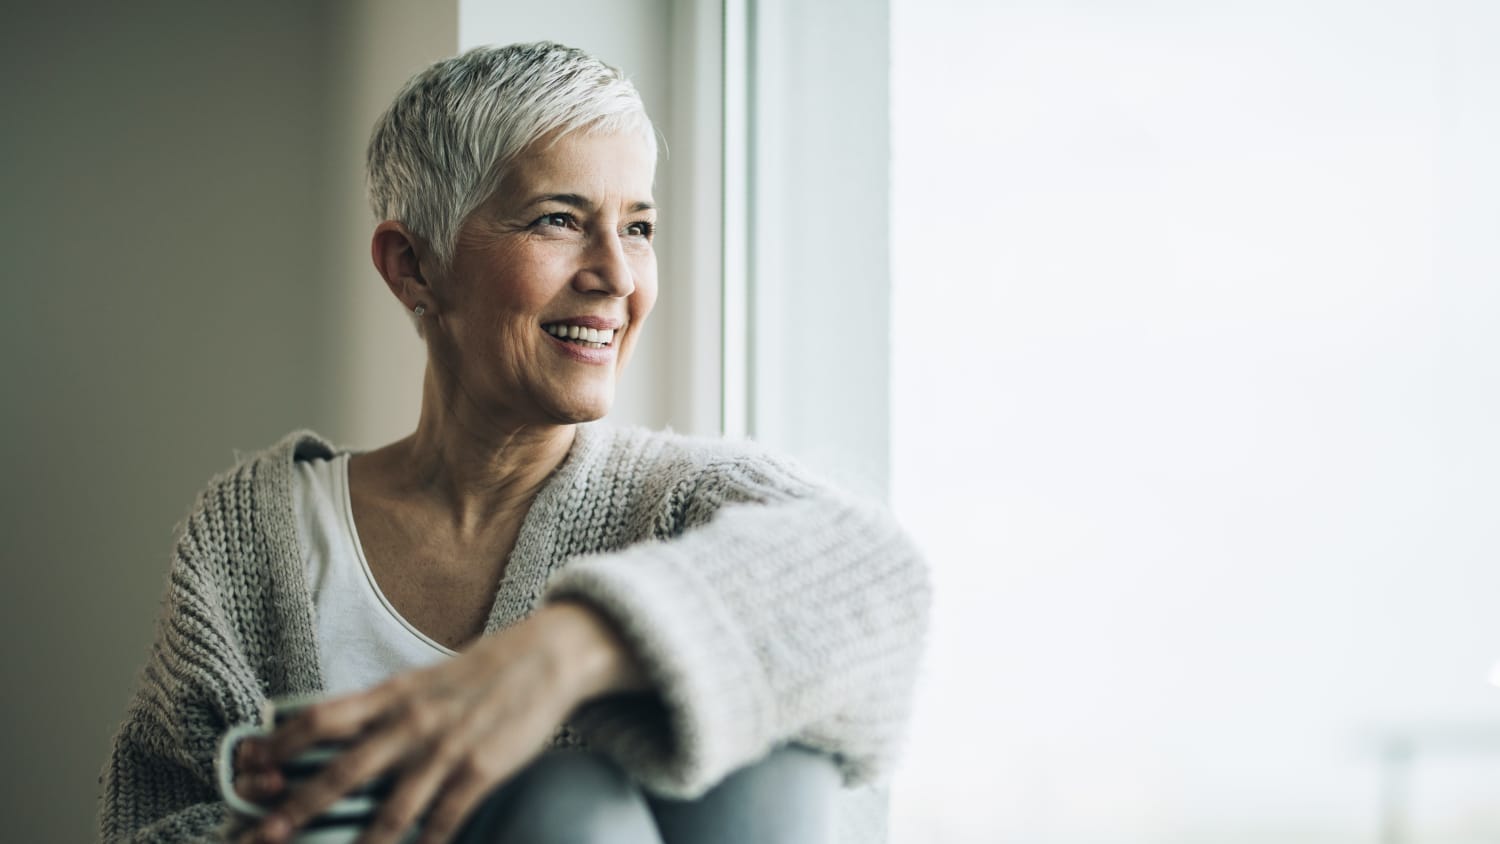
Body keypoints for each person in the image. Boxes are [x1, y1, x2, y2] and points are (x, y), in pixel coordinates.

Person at [99, 42, 930, 844]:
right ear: (412, 268)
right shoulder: (254, 534)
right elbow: (162, 822)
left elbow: (878, 575)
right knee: (572, 800)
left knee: (772, 760)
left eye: (638, 227)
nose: (617, 275)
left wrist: (556, 657)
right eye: (560, 220)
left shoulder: (683, 503)